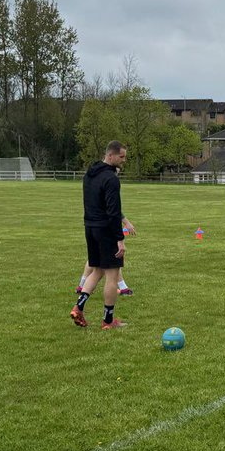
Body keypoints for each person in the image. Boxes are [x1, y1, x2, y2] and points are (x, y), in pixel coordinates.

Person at [70, 140, 128, 329]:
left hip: (90, 228)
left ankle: (78, 308)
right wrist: (120, 239)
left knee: (97, 270)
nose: (124, 160)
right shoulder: (111, 179)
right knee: (112, 276)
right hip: (105, 230)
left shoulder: (89, 175)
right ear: (110, 155)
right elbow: (113, 211)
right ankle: (108, 321)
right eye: (121, 157)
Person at [76, 217, 136, 296]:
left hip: (92, 225)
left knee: (96, 258)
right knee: (114, 257)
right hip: (104, 226)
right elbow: (113, 209)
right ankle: (123, 288)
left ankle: (81, 286)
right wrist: (126, 223)